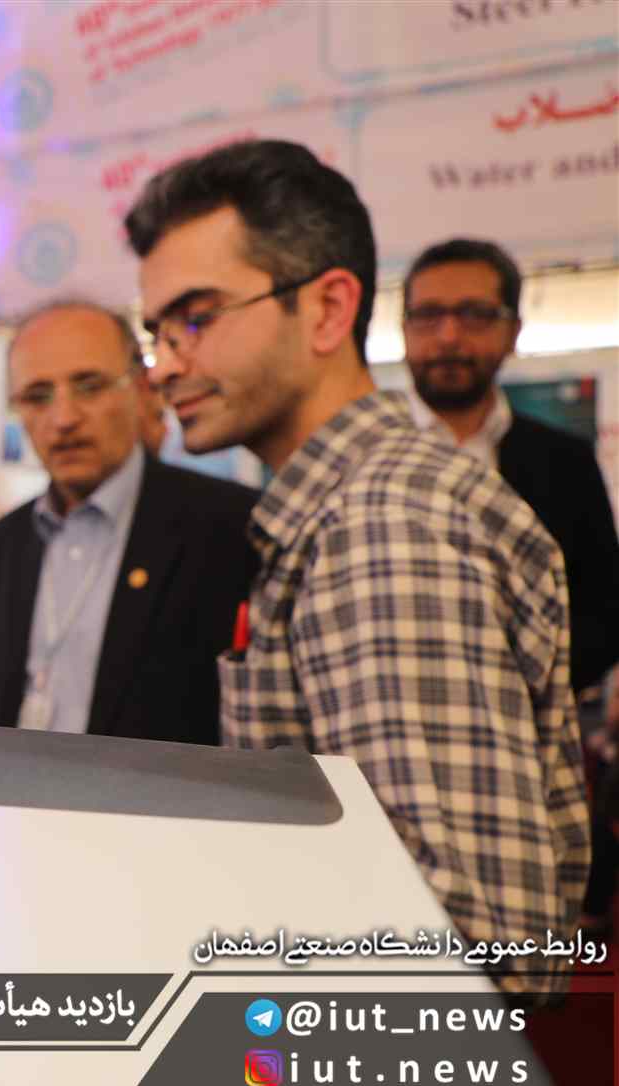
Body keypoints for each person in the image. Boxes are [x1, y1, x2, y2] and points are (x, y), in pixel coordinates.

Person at [124, 139, 589, 998]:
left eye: (196, 317)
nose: (166, 365)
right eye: (156, 332)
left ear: (328, 309)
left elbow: (468, 947)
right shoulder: (343, 510)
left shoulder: (382, 522)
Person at [0, 300, 258, 743]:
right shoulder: (4, 541)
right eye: (37, 396)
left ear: (143, 389)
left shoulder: (229, 526)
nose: (64, 419)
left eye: (89, 387)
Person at [401, 237, 619, 696]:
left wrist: (519, 686)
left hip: (534, 714)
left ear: (513, 331)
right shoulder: (360, 454)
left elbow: (604, 609)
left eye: (475, 314)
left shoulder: (565, 462)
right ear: (404, 329)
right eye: (428, 315)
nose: (449, 336)